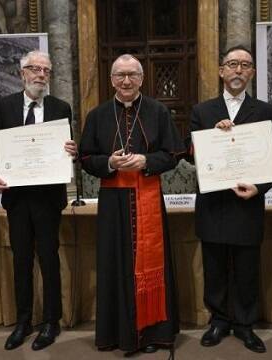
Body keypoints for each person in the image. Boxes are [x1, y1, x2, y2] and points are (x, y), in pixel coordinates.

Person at [79, 54, 183, 356]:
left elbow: (174, 153)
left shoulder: (159, 111)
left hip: (148, 195)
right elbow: (85, 158)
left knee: (152, 265)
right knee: (115, 264)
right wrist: (109, 162)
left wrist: (146, 161)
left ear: (142, 78)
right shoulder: (97, 115)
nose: (126, 81)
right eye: (120, 75)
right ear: (112, 79)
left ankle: (152, 333)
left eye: (132, 75)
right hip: (113, 202)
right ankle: (117, 334)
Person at [184, 45, 272, 353]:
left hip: (248, 203)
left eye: (245, 65)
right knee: (214, 267)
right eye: (233, 64)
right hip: (213, 203)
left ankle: (245, 324)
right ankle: (219, 320)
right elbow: (189, 155)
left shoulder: (267, 111)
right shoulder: (203, 111)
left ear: (252, 72)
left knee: (246, 268)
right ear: (221, 70)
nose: (239, 70)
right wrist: (212, 137)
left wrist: (260, 188)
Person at [0, 50, 76, 351]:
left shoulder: (60, 107)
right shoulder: (5, 106)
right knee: (21, 260)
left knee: (49, 259)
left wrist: (72, 151)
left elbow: (67, 148)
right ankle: (24, 321)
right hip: (18, 198)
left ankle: (51, 320)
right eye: (34, 69)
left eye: (46, 71)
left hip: (48, 199)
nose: (40, 75)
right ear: (22, 73)